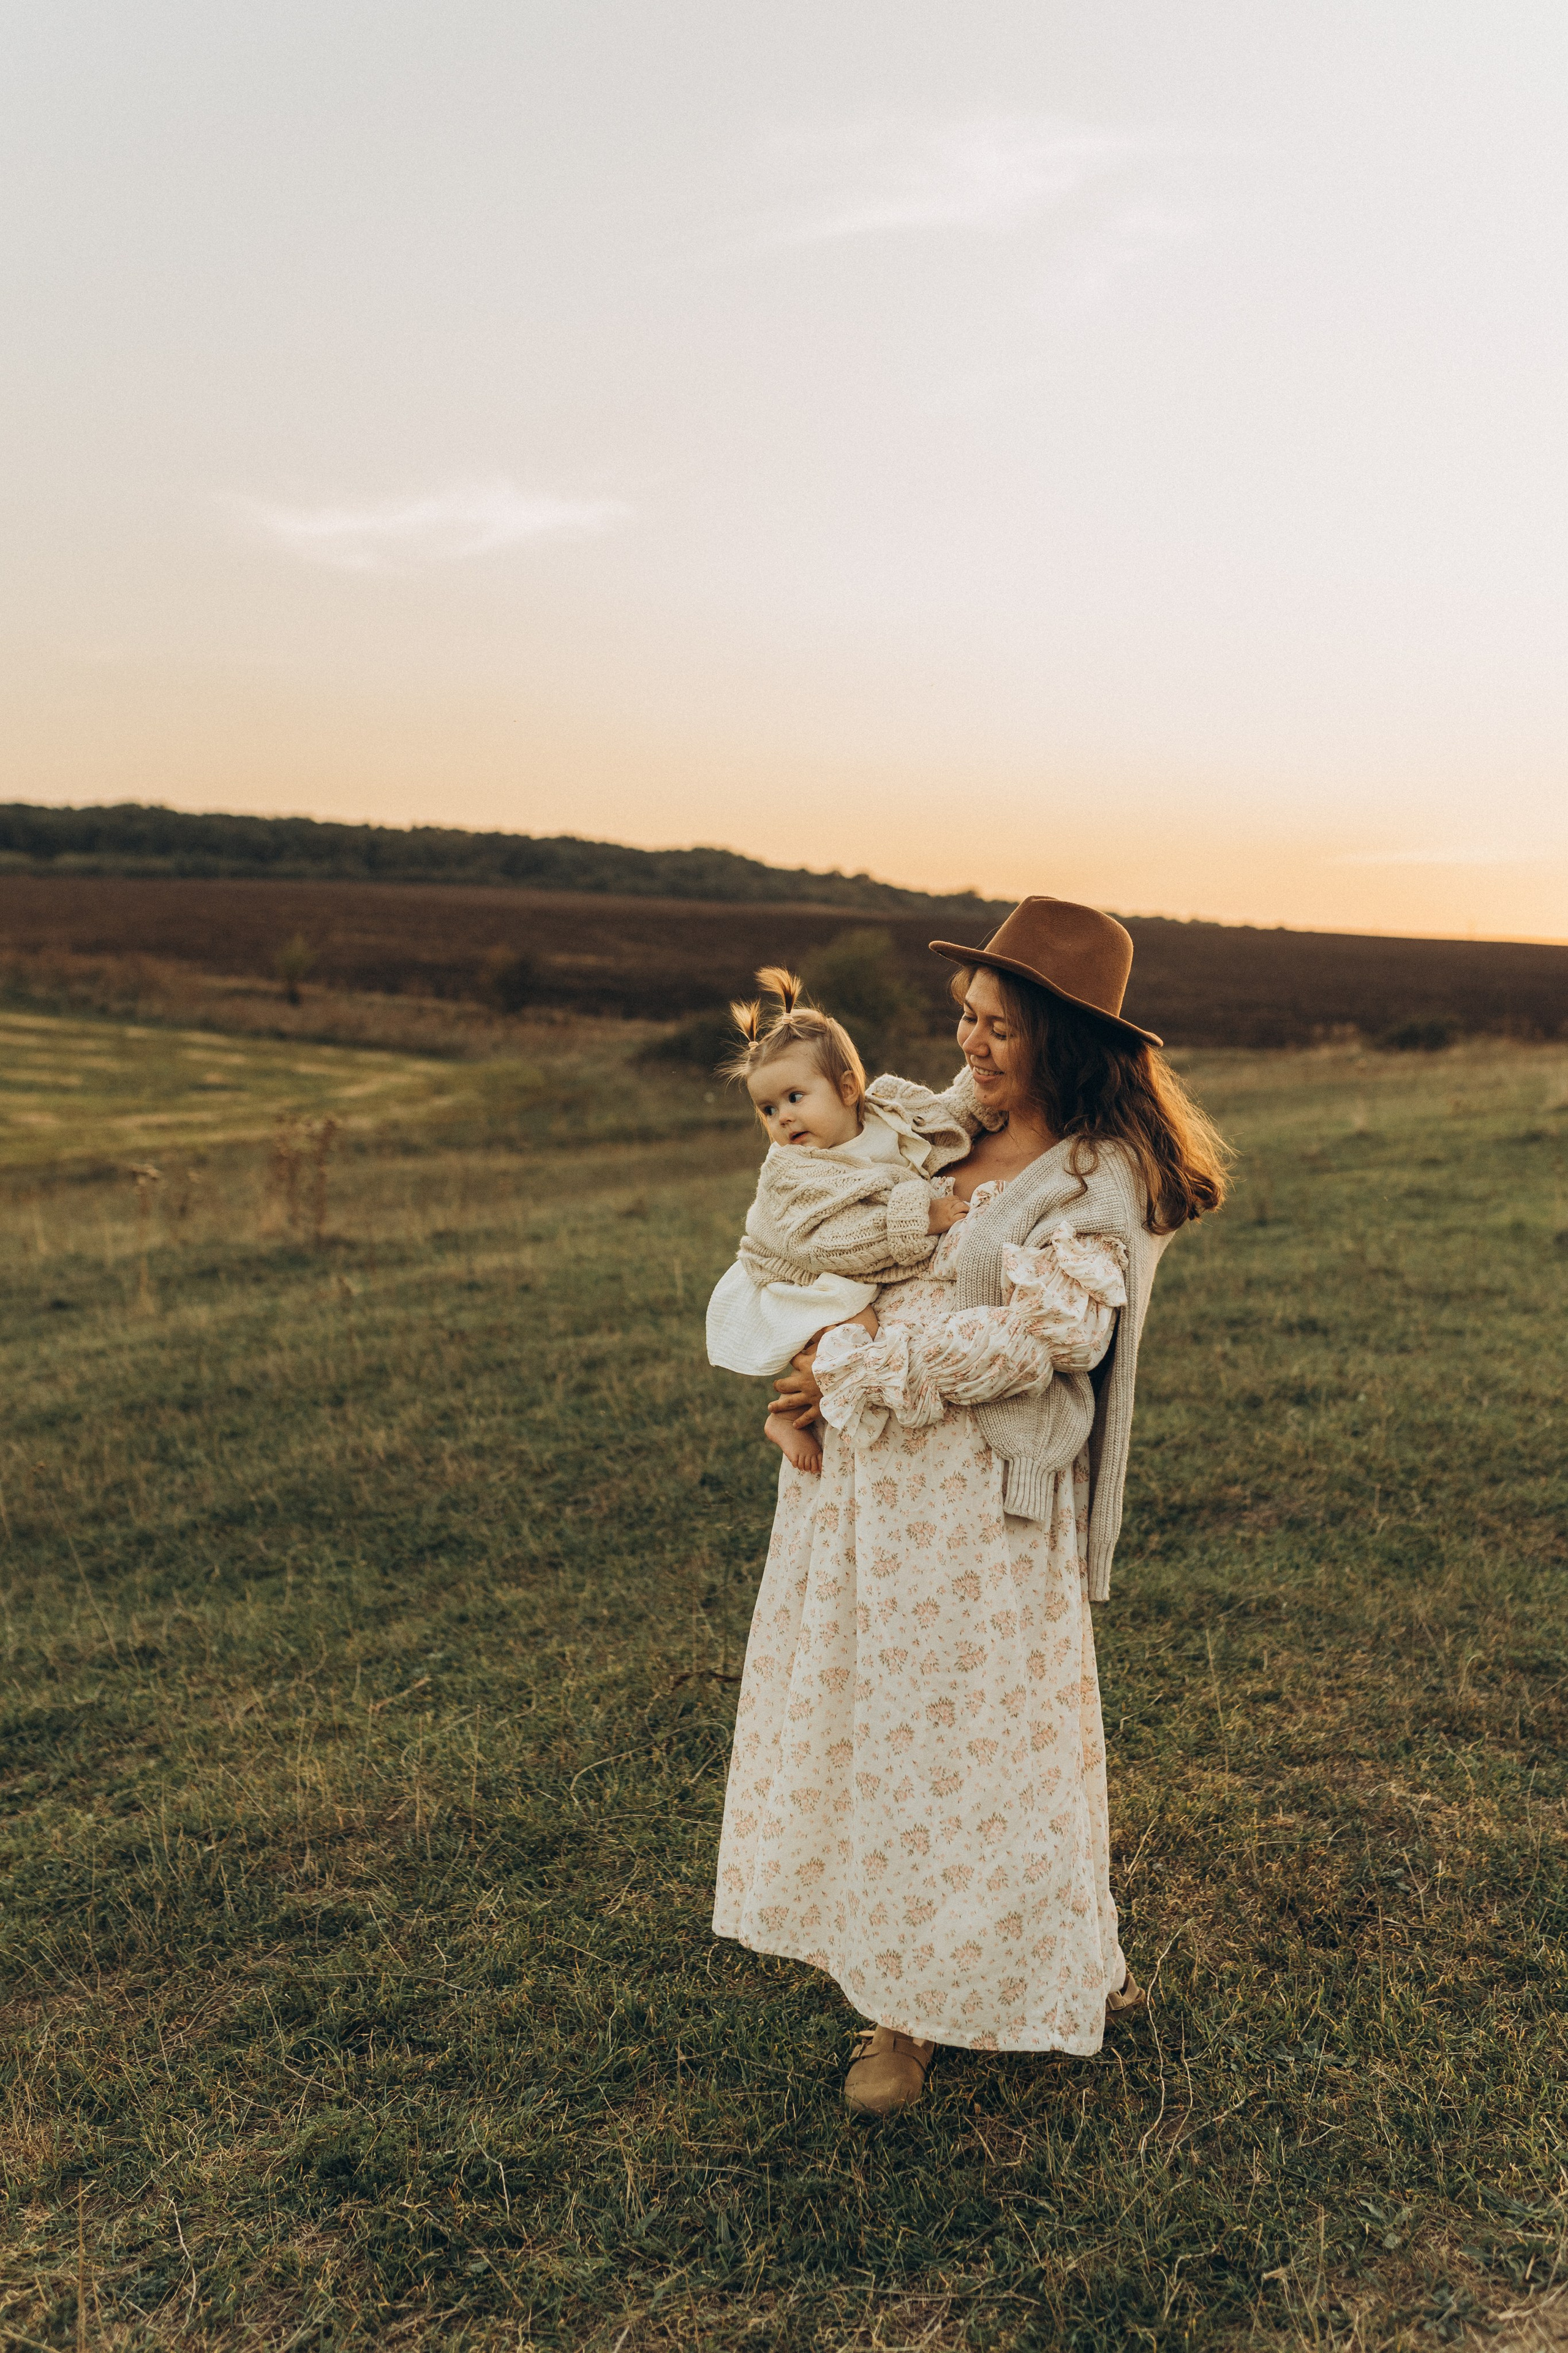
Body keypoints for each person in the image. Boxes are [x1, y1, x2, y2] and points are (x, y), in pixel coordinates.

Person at [711, 897, 1229, 2115]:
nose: (971, 1043)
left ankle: (1043, 1964)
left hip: (978, 1515)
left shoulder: (1097, 1176)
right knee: (886, 1739)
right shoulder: (935, 1139)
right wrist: (803, 1367)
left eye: (997, 1025)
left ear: (1062, 1037)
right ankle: (898, 2005)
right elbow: (829, 1243)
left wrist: (862, 1372)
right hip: (861, 1502)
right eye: (965, 1018)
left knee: (992, 1742)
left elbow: (1052, 1333)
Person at [705, 968, 977, 1475]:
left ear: (849, 1088)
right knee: (858, 1328)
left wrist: (981, 1100)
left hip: (834, 1261)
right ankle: (789, 1419)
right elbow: (831, 1242)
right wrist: (919, 1216)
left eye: (794, 1097)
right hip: (801, 1272)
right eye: (767, 1109)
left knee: (859, 1332)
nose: (782, 1118)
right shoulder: (794, 1169)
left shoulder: (886, 1114)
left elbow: (947, 1114)